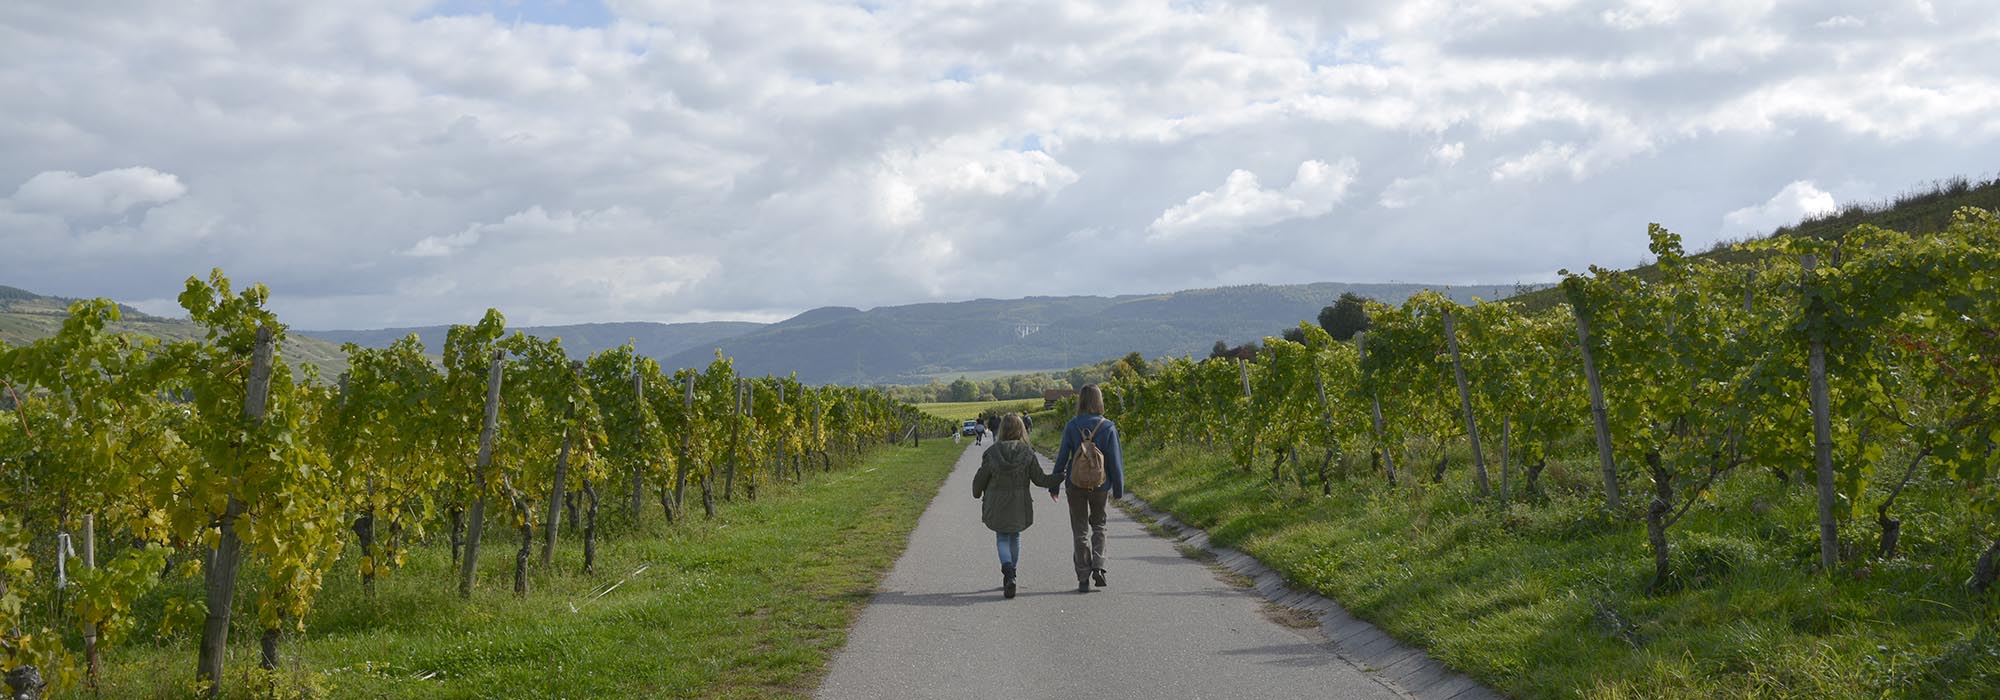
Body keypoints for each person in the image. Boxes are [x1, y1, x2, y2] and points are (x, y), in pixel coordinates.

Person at [972, 414, 1062, 598]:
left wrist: (977, 492)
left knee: (1002, 537)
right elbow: (1040, 479)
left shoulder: (992, 453)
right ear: (1021, 429)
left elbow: (980, 479)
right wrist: (1061, 476)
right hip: (1019, 504)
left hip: (997, 504)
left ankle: (1008, 571)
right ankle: (1012, 571)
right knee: (1015, 536)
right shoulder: (1027, 452)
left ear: (1002, 429)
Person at [1049, 385, 1123, 593]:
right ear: (1099, 401)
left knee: (1079, 530)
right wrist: (1118, 488)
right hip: (1100, 485)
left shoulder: (1072, 426)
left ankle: (1083, 576)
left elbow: (1062, 457)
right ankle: (1099, 565)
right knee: (1099, 525)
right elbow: (1115, 461)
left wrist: (1054, 484)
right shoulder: (1108, 426)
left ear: (1080, 401)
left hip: (1075, 484)